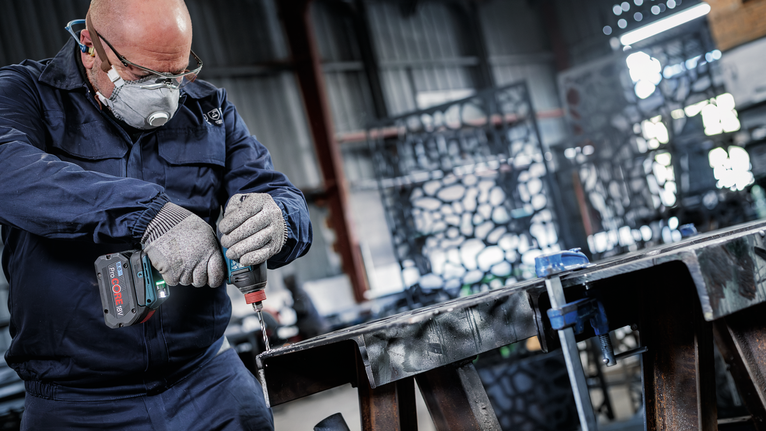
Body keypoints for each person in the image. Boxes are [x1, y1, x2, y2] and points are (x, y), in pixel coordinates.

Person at [0, 0, 312, 429]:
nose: (166, 93)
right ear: (89, 45)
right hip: (77, 403)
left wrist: (280, 220)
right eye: (143, 75)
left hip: (206, 379)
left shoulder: (208, 110)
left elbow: (278, 193)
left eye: (178, 73)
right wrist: (147, 215)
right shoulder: (26, 94)